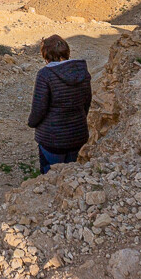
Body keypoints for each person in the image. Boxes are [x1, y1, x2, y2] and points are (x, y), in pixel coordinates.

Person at [27, 34, 91, 174]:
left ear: (46, 54)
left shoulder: (45, 74)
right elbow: (86, 103)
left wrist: (32, 123)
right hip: (77, 135)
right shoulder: (82, 71)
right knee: (70, 174)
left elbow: (39, 109)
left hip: (52, 139)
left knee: (50, 176)